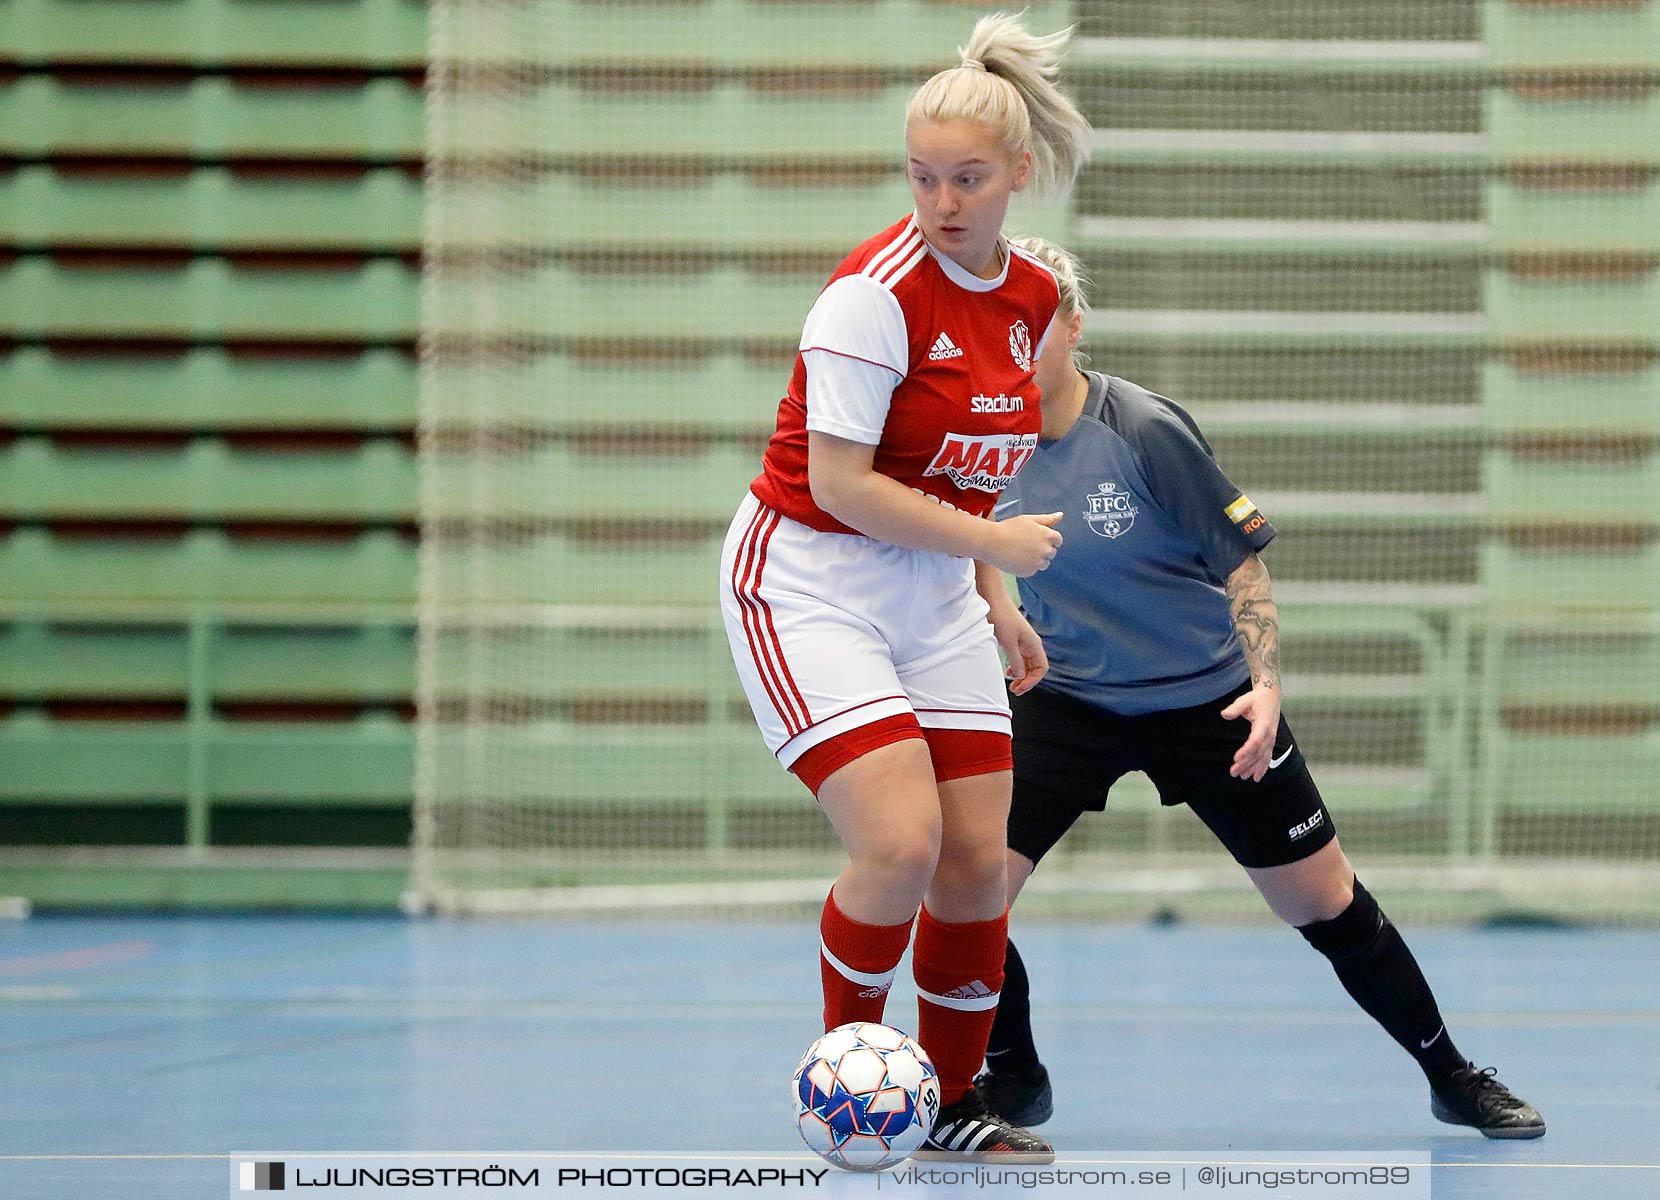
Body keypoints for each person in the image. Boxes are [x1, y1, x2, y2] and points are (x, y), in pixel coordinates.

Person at [971, 236, 1546, 1141]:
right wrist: (1000, 604)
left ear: (1071, 328)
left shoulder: (1145, 432)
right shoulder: (975, 438)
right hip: (1067, 696)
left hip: (1208, 700)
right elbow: (964, 536)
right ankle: (1015, 1077)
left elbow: (1243, 573)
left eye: (1030, 326)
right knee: (964, 887)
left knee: (1325, 904)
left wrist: (1267, 688)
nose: (1009, 346)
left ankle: (1453, 1074)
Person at [716, 14, 1092, 1163]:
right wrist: (998, 546)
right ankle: (853, 1085)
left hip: (933, 587)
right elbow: (842, 488)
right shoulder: (868, 299)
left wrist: (995, 593)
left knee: (980, 859)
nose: (942, 203)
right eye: (922, 178)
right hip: (809, 581)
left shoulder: (1031, 298)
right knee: (899, 845)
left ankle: (958, 1104)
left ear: (1017, 176)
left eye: (967, 179)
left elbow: (969, 463)